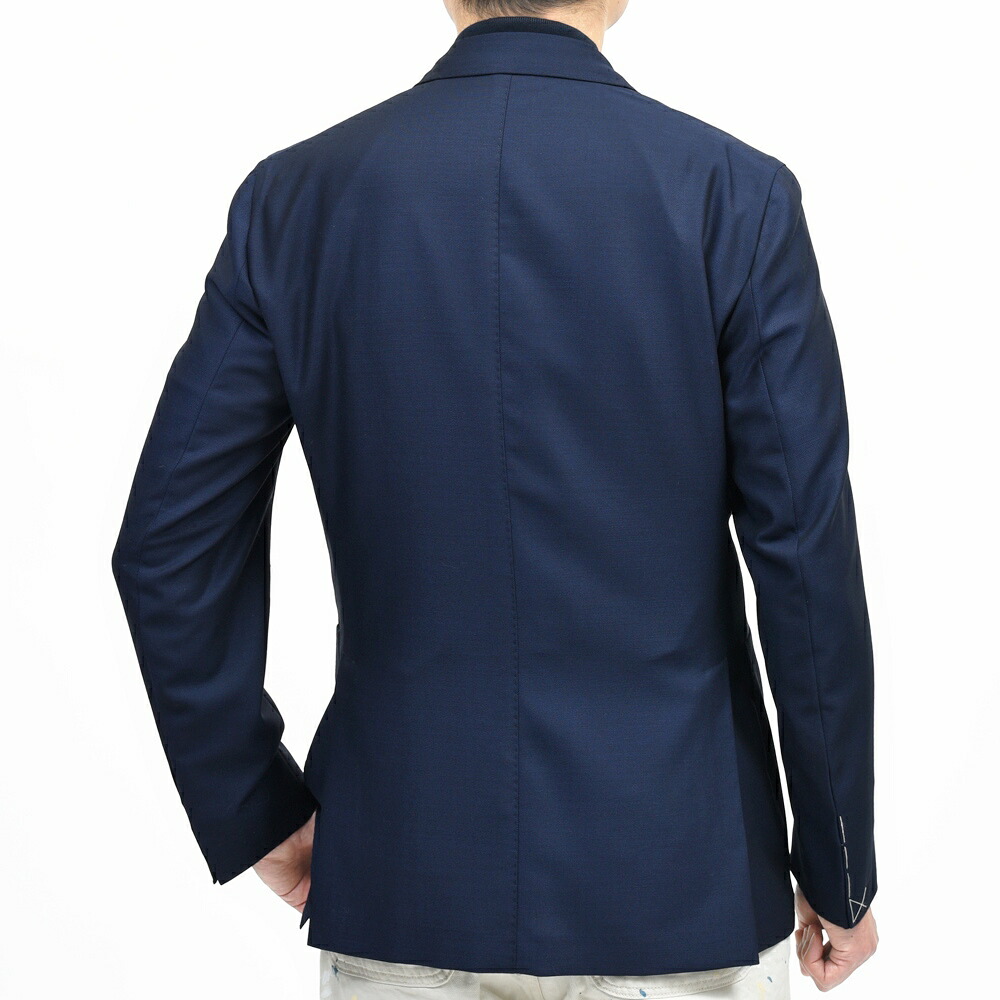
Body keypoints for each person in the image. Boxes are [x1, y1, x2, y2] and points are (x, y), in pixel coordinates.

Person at [111, 1, 880, 996]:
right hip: (677, 881)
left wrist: (255, 810)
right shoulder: (733, 195)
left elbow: (167, 547)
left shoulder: (295, 200)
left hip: (404, 873)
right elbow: (806, 565)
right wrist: (838, 866)